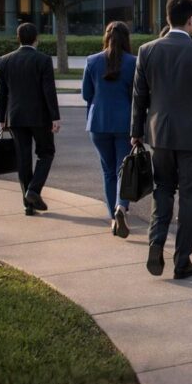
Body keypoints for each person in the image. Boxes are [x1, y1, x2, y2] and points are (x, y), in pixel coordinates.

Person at [131, 0, 192, 280]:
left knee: (162, 189)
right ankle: (182, 260)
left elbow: (139, 96)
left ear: (167, 18)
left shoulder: (146, 50)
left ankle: (156, 242)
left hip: (158, 134)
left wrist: (135, 133)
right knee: (189, 197)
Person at [0, 23, 61, 215]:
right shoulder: (43, 60)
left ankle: (28, 205)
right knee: (46, 153)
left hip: (15, 117)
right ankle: (33, 190)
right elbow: (49, 90)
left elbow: (2, 92)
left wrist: (2, 118)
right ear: (36, 39)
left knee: (23, 159)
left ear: (18, 38)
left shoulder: (5, 60)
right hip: (40, 117)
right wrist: (55, 117)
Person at [82, 21, 135, 238]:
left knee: (108, 171)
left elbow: (86, 94)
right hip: (125, 123)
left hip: (99, 123)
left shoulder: (92, 61)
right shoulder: (133, 62)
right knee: (124, 169)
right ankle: (121, 206)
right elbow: (138, 95)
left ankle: (113, 217)